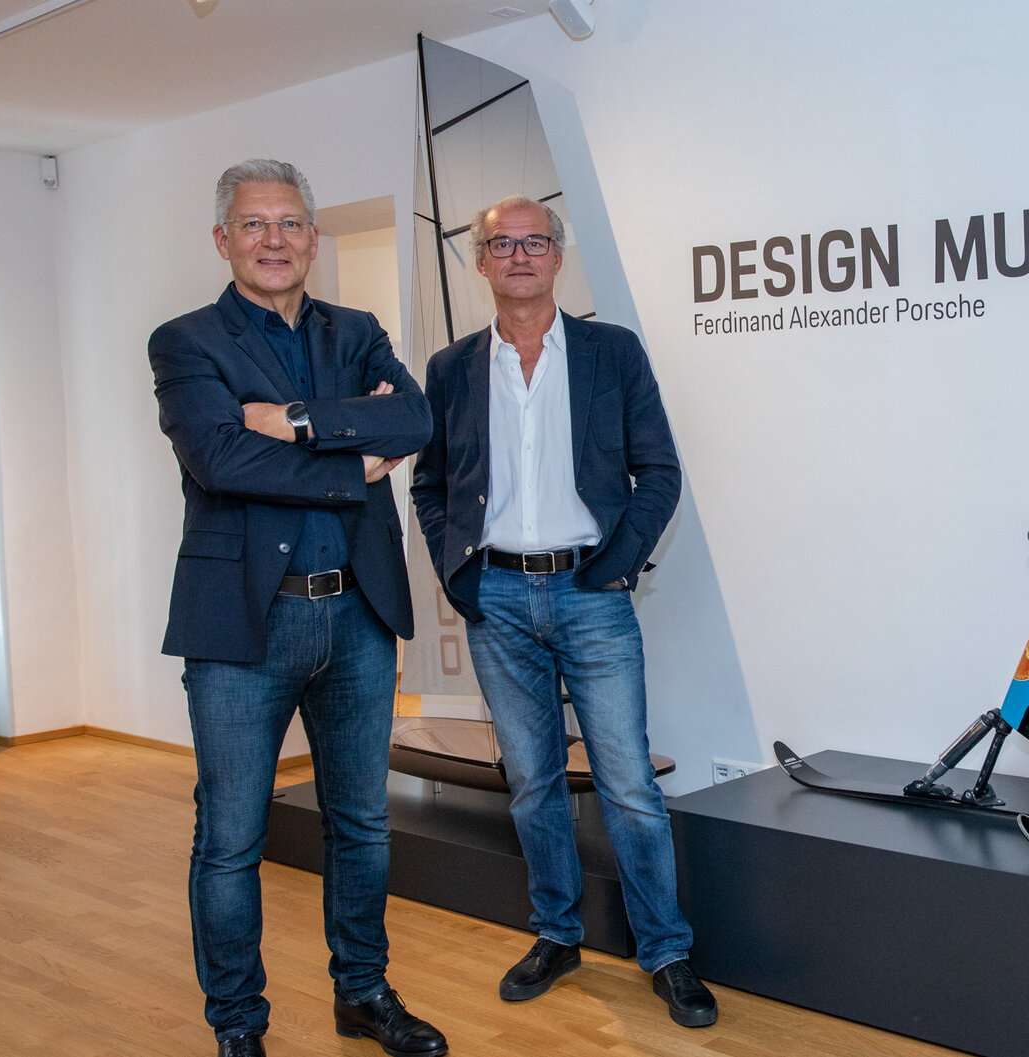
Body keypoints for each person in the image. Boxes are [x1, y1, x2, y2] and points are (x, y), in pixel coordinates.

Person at [149, 159, 446, 1057]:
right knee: (231, 836)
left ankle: (363, 991)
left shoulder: (356, 331)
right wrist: (353, 460)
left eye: (289, 224)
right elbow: (220, 462)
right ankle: (238, 1023)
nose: (273, 240)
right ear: (223, 239)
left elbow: (415, 422)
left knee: (361, 823)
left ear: (313, 238)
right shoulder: (186, 342)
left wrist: (296, 421)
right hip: (245, 624)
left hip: (357, 616)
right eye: (254, 224)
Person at [410, 195, 716, 1027]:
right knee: (532, 783)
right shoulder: (450, 368)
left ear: (557, 254)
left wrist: (615, 566)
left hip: (591, 593)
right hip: (496, 598)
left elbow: (659, 472)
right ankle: (556, 932)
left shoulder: (611, 352)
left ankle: (667, 951)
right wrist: (459, 576)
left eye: (534, 241)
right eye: (502, 243)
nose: (519, 255)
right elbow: (429, 486)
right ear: (480, 260)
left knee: (628, 785)